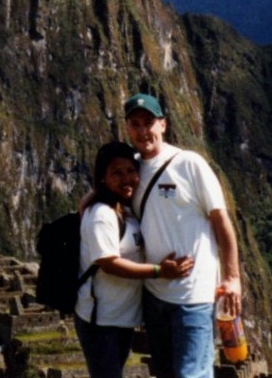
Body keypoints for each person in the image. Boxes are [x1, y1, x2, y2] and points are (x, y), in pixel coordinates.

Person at [123, 93, 242, 378]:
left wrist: (232, 277)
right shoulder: (131, 170)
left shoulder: (189, 164)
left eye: (149, 122)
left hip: (194, 296)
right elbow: (102, 194)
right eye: (135, 124)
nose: (143, 131)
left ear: (163, 124)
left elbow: (221, 220)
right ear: (127, 128)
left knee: (192, 374)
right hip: (155, 296)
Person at [76, 141, 166, 378]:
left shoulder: (126, 210)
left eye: (130, 171)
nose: (126, 178)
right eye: (116, 173)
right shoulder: (101, 214)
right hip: (100, 320)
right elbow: (109, 263)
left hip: (123, 318)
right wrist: (159, 271)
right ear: (103, 178)